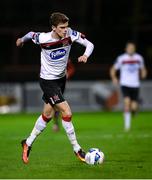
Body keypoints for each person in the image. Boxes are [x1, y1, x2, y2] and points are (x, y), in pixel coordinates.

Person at [16, 12, 94, 164]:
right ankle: (77, 149)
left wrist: (85, 55)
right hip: (47, 81)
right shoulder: (43, 38)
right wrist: (21, 40)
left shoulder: (71, 34)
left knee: (47, 114)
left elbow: (90, 44)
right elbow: (31, 34)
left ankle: (28, 142)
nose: (65, 30)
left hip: (61, 80)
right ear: (53, 28)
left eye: (66, 26)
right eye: (62, 27)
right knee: (67, 111)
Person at [110, 42, 147, 131]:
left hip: (135, 84)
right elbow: (113, 69)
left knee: (133, 107)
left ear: (134, 49)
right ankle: (127, 127)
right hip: (125, 84)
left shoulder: (139, 58)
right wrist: (114, 78)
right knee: (127, 102)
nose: (131, 49)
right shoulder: (121, 58)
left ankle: (134, 110)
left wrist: (144, 74)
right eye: (129, 48)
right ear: (126, 49)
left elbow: (143, 69)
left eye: (132, 48)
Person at [52, 59, 75, 132]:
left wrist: (68, 74)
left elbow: (72, 68)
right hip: (51, 84)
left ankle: (58, 124)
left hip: (61, 84)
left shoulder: (65, 57)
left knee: (58, 105)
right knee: (54, 105)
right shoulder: (49, 56)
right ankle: (56, 124)